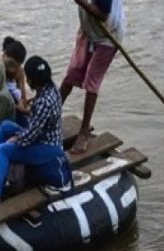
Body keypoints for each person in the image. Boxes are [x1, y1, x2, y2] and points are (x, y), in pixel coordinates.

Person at [0, 56, 72, 211]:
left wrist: (14, 140)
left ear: (32, 80)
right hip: (40, 135)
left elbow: (30, 136)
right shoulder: (51, 88)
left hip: (47, 146)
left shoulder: (44, 102)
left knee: (3, 150)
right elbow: (35, 123)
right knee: (6, 126)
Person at [60, 0, 126, 154]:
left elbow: (102, 15)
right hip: (88, 29)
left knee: (92, 80)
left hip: (109, 34)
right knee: (72, 72)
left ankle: (84, 133)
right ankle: (50, 112)